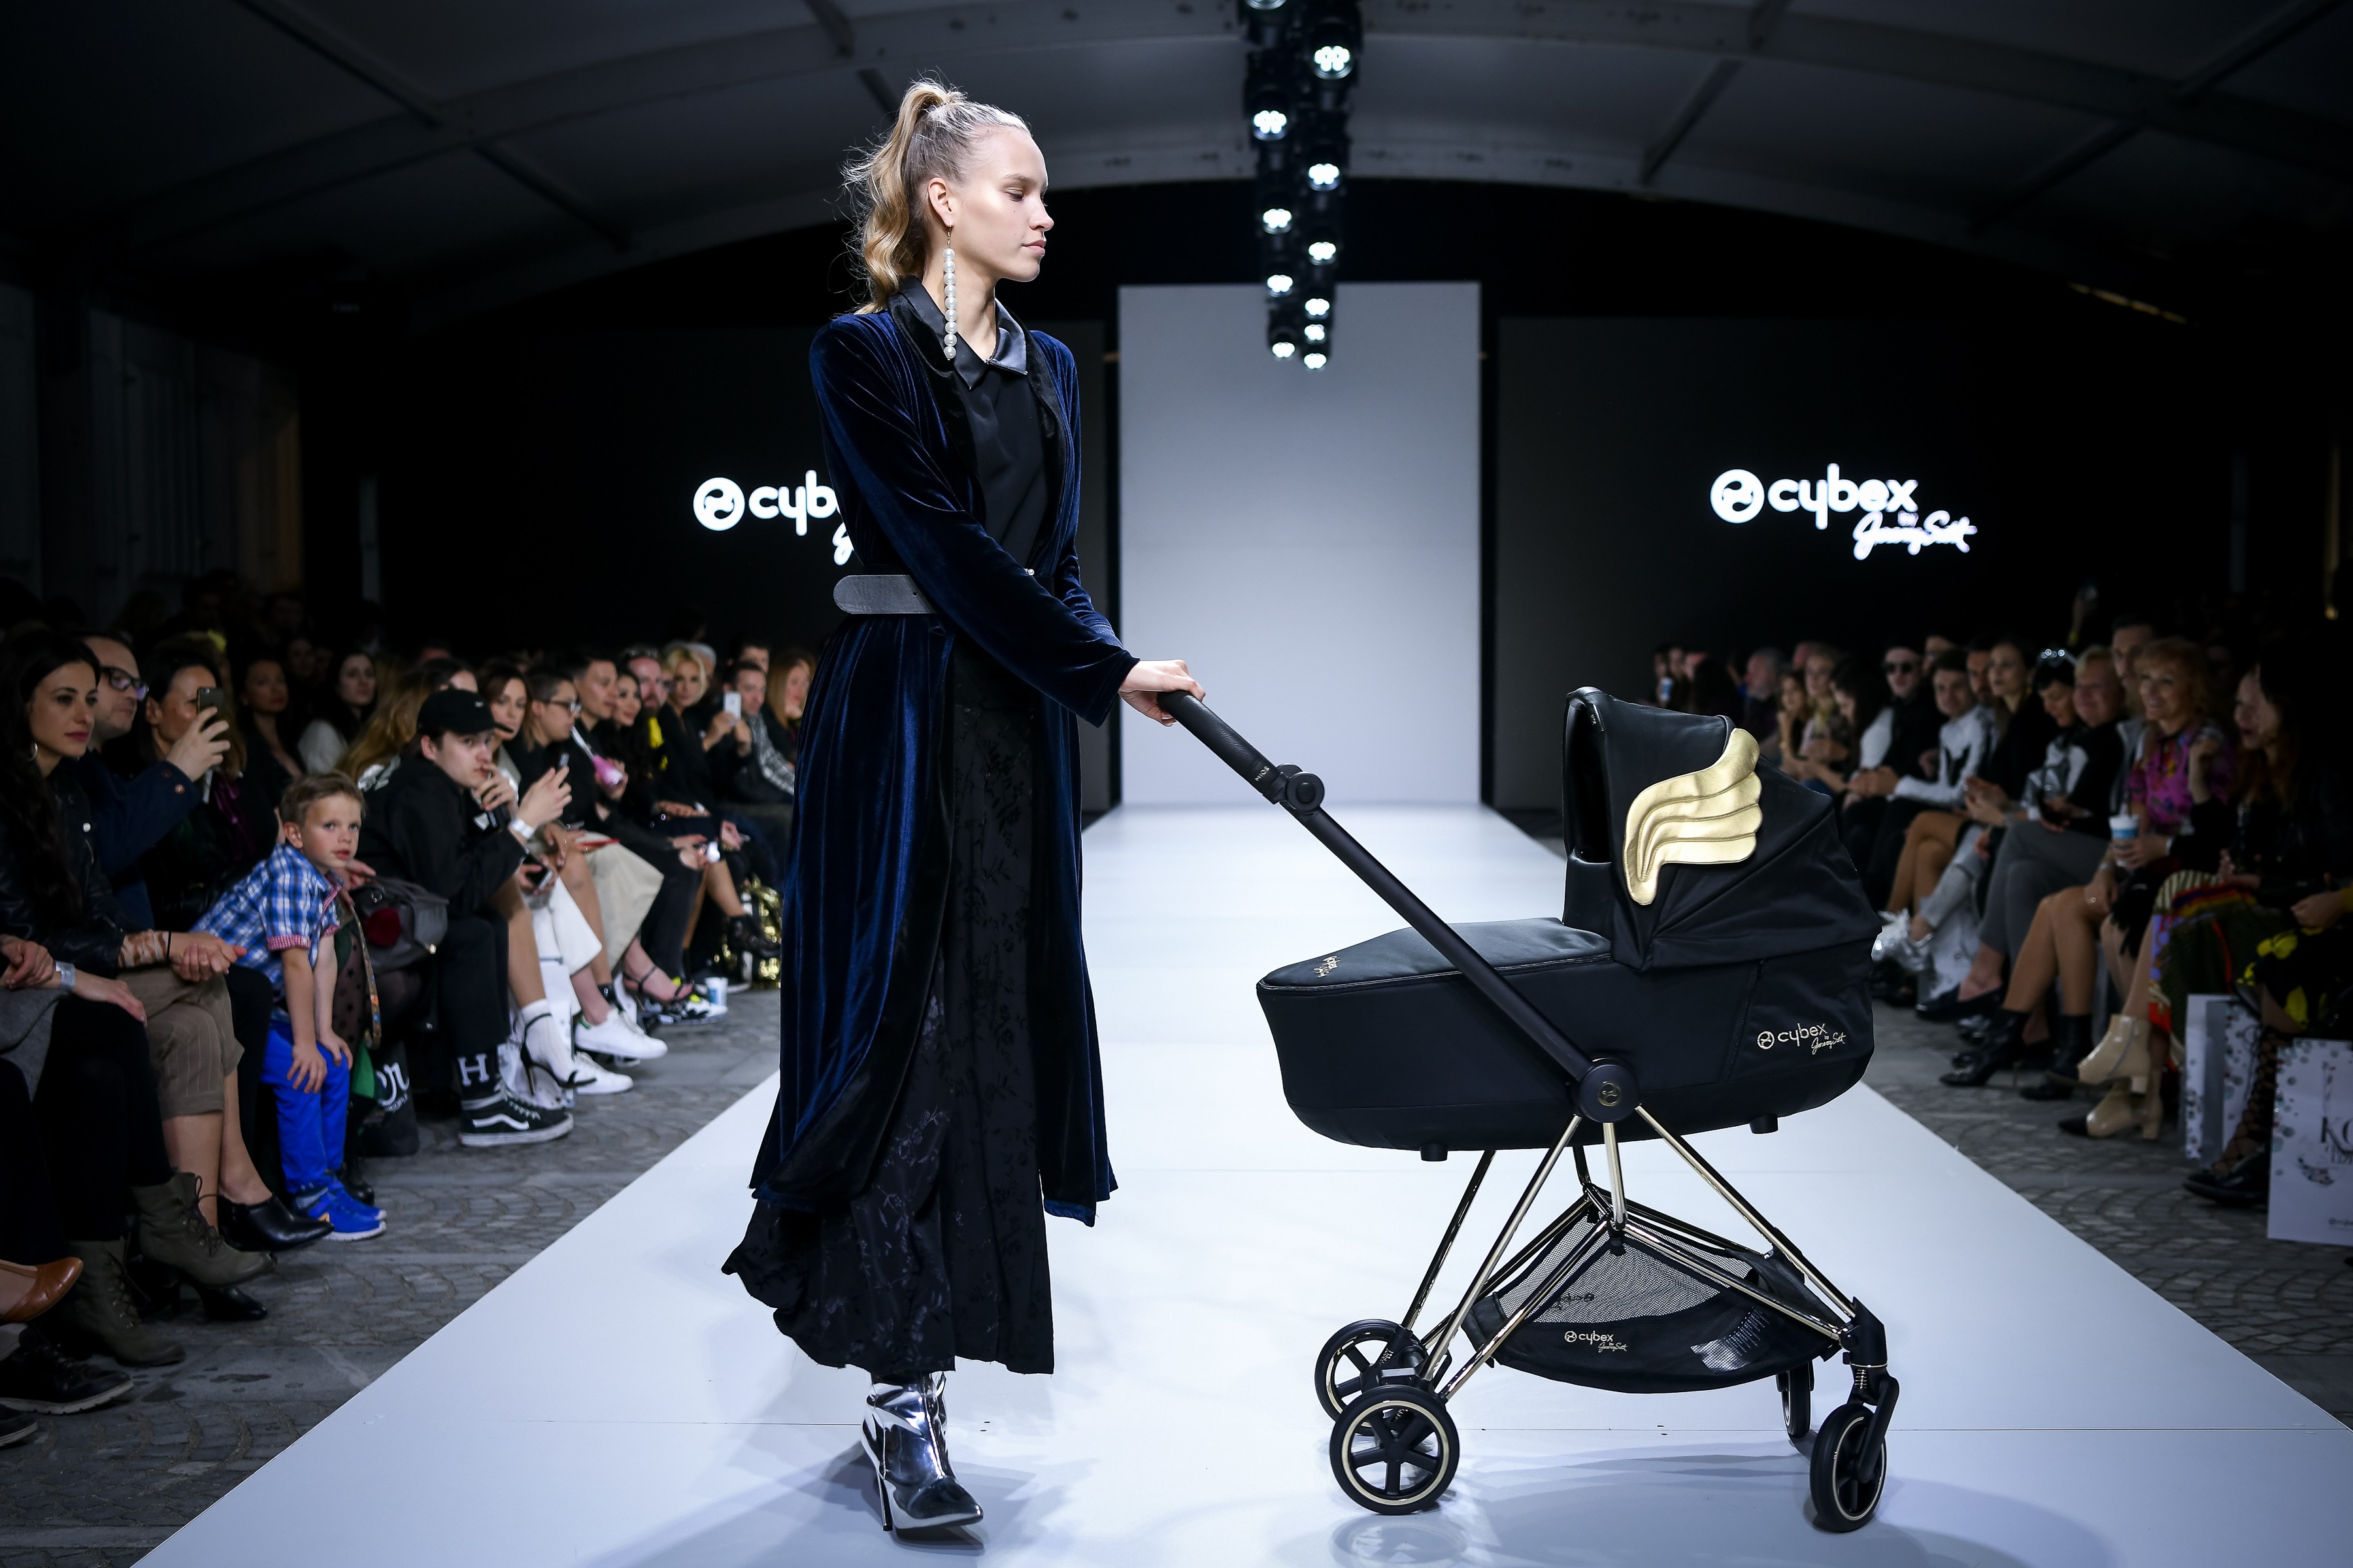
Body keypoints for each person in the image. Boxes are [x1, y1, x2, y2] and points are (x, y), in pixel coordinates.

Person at [721, 80, 1203, 1535]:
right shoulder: (861, 352)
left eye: (1044, 192)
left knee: (995, 1018)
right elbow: (936, 544)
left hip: (1009, 731)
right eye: (1020, 190)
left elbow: (1052, 562)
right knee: (906, 1036)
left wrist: (1108, 658)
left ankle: (933, 1359)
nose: (1046, 215)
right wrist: (1098, 666)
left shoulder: (1050, 365)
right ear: (943, 201)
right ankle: (899, 1396)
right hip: (902, 718)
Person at [0, 633, 278, 1367]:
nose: (85, 713)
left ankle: (188, 1223)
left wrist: (150, 944)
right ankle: (172, 1221)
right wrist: (150, 945)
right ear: (20, 702)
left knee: (201, 1002)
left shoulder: (66, 787)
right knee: (127, 1030)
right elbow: (28, 936)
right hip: (33, 983)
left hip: (76, 964)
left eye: (90, 698)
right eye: (67, 698)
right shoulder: (19, 791)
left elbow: (93, 905)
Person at [356, 688, 575, 1148]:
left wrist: (503, 815)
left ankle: (486, 1085)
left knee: (487, 925)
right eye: (468, 742)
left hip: (400, 920)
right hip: (372, 934)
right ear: (430, 746)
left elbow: (464, 869)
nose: (483, 754)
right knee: (472, 933)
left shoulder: (439, 783)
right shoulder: (421, 789)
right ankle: (484, 1101)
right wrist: (523, 824)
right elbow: (455, 894)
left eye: (487, 741)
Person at [194, 774, 386, 1239]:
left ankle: (329, 1179)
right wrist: (303, 1044)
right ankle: (309, 1194)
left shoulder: (322, 878)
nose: (345, 837)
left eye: (353, 827)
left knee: (333, 1062)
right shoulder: (288, 876)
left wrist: (322, 1032)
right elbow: (296, 964)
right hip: (215, 1006)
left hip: (258, 1007)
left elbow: (324, 959)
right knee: (301, 1072)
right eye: (330, 826)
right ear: (295, 833)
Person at [237, 650, 303, 816]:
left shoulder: (289, 739)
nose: (276, 689)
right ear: (244, 695)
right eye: (263, 682)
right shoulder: (245, 746)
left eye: (280, 681)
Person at [298, 650, 375, 773]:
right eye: (352, 675)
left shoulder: (369, 725)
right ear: (336, 685)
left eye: (369, 674)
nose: (363, 681)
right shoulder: (323, 731)